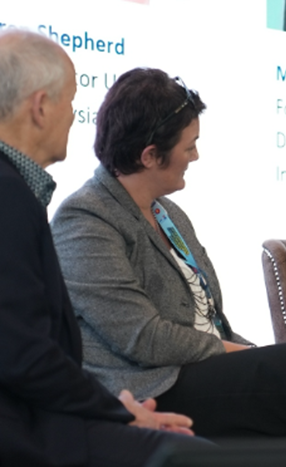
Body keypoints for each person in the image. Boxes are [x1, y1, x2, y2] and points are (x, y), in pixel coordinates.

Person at [51, 68, 286, 441]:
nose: (195, 156)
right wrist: (236, 352)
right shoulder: (86, 218)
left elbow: (210, 317)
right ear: (151, 155)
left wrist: (245, 350)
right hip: (155, 387)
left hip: (202, 370)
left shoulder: (169, 214)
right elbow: (143, 338)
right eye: (189, 146)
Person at [0, 30, 207, 466]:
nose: (75, 117)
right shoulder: (10, 195)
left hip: (40, 413)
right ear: (40, 107)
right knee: (191, 456)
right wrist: (116, 412)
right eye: (71, 102)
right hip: (22, 428)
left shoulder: (18, 191)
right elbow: (22, 353)